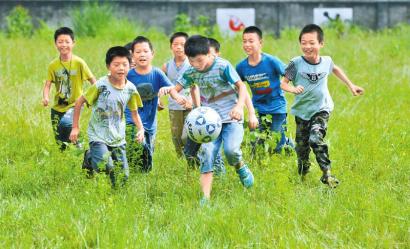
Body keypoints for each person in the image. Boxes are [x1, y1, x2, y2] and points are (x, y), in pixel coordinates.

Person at [163, 35, 258, 204]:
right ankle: (205, 198)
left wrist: (239, 108)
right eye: (192, 62)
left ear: (209, 54)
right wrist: (178, 97)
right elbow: (175, 89)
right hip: (209, 121)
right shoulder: (191, 71)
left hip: (231, 117)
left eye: (199, 61)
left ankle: (240, 167)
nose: (196, 66)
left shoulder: (222, 66)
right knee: (207, 155)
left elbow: (241, 86)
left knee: (231, 151)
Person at [280, 24, 364, 187]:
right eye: (303, 43)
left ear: (321, 44)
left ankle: (327, 174)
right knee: (302, 148)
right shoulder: (295, 63)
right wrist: (293, 89)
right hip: (302, 112)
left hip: (321, 109)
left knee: (315, 138)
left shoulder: (327, 61)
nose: (307, 46)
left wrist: (351, 85)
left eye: (312, 43)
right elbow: (283, 84)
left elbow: (335, 69)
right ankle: (302, 176)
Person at [69, 46, 144, 187]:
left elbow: (134, 113)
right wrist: (75, 127)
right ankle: (90, 158)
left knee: (123, 177)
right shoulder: (101, 85)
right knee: (105, 166)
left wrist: (141, 130)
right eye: (116, 65)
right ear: (108, 66)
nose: (121, 68)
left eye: (124, 64)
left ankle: (113, 196)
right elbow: (80, 102)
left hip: (118, 137)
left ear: (131, 66)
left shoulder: (131, 89)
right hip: (98, 135)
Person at [236, 26, 294, 154]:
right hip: (257, 108)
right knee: (256, 141)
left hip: (277, 107)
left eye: (251, 41)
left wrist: (289, 86)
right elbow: (237, 86)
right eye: (244, 41)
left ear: (260, 43)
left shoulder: (271, 61)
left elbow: (289, 72)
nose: (247, 44)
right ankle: (258, 163)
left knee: (276, 142)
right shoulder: (241, 67)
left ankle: (289, 146)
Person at [42, 27, 96, 150]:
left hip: (76, 104)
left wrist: (96, 97)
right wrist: (45, 97)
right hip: (57, 106)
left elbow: (92, 80)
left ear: (73, 43)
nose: (64, 45)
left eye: (67, 41)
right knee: (60, 141)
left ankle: (80, 146)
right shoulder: (53, 65)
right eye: (60, 42)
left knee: (66, 124)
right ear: (55, 44)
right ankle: (68, 156)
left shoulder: (79, 62)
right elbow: (48, 84)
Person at [125, 36, 173, 173]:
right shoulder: (128, 75)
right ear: (132, 56)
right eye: (138, 52)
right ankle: (130, 171)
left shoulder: (157, 73)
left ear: (152, 54)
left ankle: (143, 175)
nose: (142, 54)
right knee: (137, 146)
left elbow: (172, 88)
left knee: (147, 155)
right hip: (132, 119)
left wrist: (172, 92)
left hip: (151, 122)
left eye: (145, 51)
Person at [161, 32, 192, 157]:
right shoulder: (166, 66)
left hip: (190, 105)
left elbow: (197, 87)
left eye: (182, 44)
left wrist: (193, 102)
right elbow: (160, 83)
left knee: (188, 134)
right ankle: (181, 157)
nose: (179, 47)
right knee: (176, 135)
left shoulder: (192, 64)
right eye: (175, 44)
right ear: (171, 47)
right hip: (174, 106)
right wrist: (158, 99)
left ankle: (192, 156)